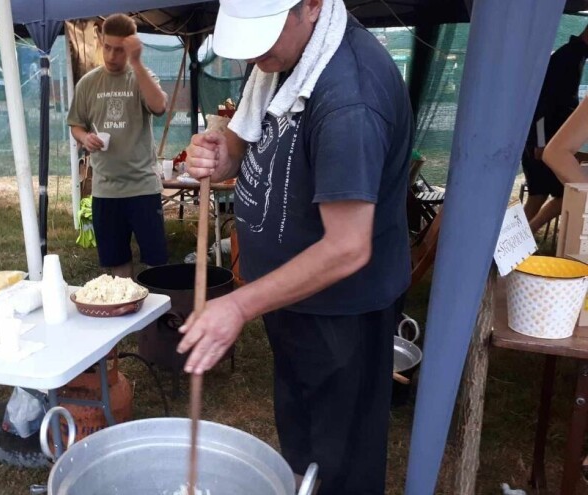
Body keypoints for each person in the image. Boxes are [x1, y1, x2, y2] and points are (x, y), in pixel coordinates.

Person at [180, 0, 412, 493]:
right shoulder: (282, 59)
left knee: (341, 465)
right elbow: (253, 137)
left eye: (263, 35)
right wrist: (223, 155)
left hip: (340, 317)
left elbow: (349, 247)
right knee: (303, 447)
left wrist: (238, 305)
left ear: (312, 5)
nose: (254, 55)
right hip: (292, 302)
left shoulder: (351, 97)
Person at [67, 13, 169, 278]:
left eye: (120, 50)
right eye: (108, 47)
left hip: (143, 187)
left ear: (132, 47)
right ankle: (126, 308)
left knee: (157, 263)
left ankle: (160, 316)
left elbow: (159, 106)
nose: (112, 56)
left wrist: (136, 63)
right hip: (106, 190)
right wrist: (84, 138)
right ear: (101, 41)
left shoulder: (141, 78)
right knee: (116, 262)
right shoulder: (87, 84)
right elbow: (76, 125)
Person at [522, 25, 588, 232]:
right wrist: (541, 143)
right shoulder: (567, 59)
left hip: (545, 140)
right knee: (541, 195)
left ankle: (517, 242)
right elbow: (541, 104)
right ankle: (515, 243)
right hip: (541, 141)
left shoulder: (573, 57)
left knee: (544, 195)